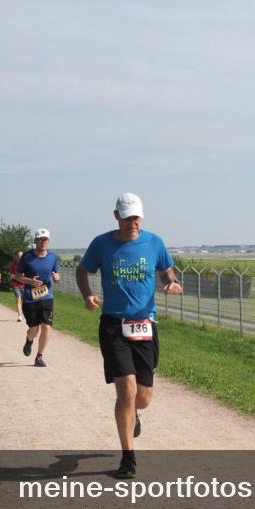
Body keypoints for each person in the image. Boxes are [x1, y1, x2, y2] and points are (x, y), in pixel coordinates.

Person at [76, 193, 182, 479]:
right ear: (116, 216)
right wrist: (87, 295)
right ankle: (128, 457)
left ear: (141, 216)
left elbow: (166, 270)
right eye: (127, 217)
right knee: (126, 389)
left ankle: (134, 413)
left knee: (143, 397)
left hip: (145, 324)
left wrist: (172, 283)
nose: (132, 222)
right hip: (113, 325)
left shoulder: (154, 242)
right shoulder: (102, 244)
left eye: (136, 217)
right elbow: (82, 270)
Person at [14, 229, 61, 367]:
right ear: (35, 241)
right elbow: (17, 276)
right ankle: (29, 340)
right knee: (34, 330)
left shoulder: (53, 257)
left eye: (46, 239)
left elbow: (56, 274)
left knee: (46, 327)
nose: (43, 242)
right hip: (30, 298)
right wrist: (30, 281)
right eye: (41, 239)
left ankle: (39, 357)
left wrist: (56, 277)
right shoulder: (27, 257)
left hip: (47, 296)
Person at [8, 250, 24, 322]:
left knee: (25, 301)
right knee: (18, 300)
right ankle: (20, 316)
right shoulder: (13, 265)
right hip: (16, 284)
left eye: (21, 256)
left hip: (25, 285)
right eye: (19, 256)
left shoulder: (26, 264)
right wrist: (13, 276)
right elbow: (10, 274)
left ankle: (24, 314)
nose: (20, 257)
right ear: (16, 257)